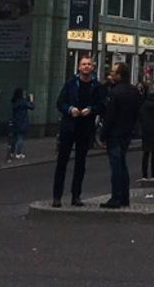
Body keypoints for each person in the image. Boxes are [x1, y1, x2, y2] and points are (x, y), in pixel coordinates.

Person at [51, 56, 106, 208]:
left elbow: (102, 105)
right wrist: (70, 109)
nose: (86, 67)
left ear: (92, 67)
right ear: (79, 67)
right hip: (69, 126)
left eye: (89, 64)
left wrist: (92, 110)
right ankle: (57, 196)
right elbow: (60, 102)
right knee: (62, 162)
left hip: (85, 127)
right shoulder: (70, 84)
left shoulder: (96, 86)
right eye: (83, 64)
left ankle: (76, 195)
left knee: (80, 163)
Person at [100, 61, 142, 209]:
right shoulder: (134, 91)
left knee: (116, 166)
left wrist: (102, 135)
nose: (110, 74)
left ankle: (116, 197)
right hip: (127, 133)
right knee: (122, 165)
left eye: (113, 72)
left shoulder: (115, 93)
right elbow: (137, 112)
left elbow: (110, 116)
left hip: (115, 133)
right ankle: (124, 197)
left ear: (119, 75)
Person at [138, 82, 154, 179]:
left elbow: (140, 116)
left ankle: (144, 174)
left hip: (146, 130)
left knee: (146, 152)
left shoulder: (144, 105)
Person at [8, 88, 34, 160]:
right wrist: (31, 100)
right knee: (21, 137)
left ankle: (11, 152)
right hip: (22, 121)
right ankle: (18, 153)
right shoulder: (23, 102)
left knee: (14, 137)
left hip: (15, 121)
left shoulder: (14, 101)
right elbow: (32, 107)